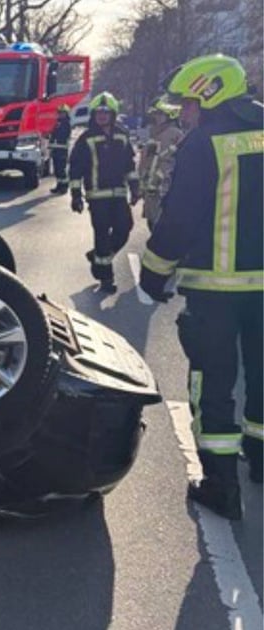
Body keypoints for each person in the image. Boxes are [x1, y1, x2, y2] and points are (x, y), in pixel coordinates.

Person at [139, 54, 263, 520]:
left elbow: (181, 218)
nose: (185, 114)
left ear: (211, 94)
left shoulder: (204, 144)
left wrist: (153, 272)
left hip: (216, 290)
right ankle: (261, 461)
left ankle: (221, 486)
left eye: (189, 104)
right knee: (262, 375)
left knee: (213, 384)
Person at [68, 91, 141, 293]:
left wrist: (135, 187)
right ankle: (106, 278)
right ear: (93, 114)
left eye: (106, 112)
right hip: (97, 196)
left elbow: (129, 164)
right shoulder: (86, 138)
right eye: (98, 112)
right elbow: (76, 168)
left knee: (124, 229)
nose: (102, 115)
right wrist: (76, 195)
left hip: (119, 194)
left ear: (113, 114)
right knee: (101, 234)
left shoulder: (122, 135)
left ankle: (97, 256)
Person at [138, 98, 185, 231]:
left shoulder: (175, 134)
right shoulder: (154, 133)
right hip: (152, 188)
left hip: (164, 189)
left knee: (161, 225)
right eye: (155, 114)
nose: (155, 117)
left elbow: (174, 162)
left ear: (170, 116)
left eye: (159, 114)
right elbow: (146, 160)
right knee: (152, 222)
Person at [49, 103, 72, 195]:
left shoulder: (66, 124)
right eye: (60, 113)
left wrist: (55, 138)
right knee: (57, 170)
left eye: (63, 113)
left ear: (66, 114)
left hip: (62, 150)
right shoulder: (58, 123)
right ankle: (59, 185)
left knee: (61, 169)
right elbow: (53, 134)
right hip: (56, 150)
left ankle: (64, 187)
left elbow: (63, 136)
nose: (61, 114)